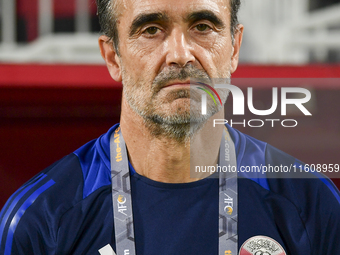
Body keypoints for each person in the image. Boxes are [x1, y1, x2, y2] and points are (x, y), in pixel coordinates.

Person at [1, 0, 339, 254]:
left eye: (203, 26)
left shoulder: (311, 203)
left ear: (234, 48)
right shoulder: (41, 218)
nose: (180, 54)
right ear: (112, 57)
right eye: (151, 30)